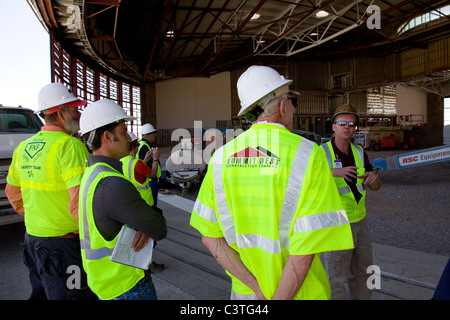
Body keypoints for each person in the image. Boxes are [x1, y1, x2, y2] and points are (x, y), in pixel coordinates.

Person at [190, 65, 354, 300]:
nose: (293, 109)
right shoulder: (308, 154)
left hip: (246, 295)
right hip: (300, 294)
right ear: (281, 105)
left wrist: (255, 287)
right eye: (292, 101)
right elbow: (305, 248)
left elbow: (210, 238)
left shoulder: (220, 158)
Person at [5, 82, 97, 300]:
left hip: (32, 241)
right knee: (75, 295)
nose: (79, 113)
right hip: (63, 247)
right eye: (74, 109)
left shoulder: (23, 148)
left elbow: (13, 194)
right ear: (60, 113)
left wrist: (41, 218)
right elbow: (81, 201)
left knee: (42, 293)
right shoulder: (69, 146)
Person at [78, 99, 167, 300]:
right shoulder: (111, 184)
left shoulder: (92, 173)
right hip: (127, 285)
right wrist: (148, 220)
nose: (129, 138)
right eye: (124, 132)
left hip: (107, 282)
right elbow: (159, 228)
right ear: (108, 136)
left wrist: (139, 224)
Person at [321, 104, 382, 300]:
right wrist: (333, 172)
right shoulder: (320, 153)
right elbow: (305, 181)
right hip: (336, 223)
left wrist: (374, 180)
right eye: (342, 123)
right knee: (335, 277)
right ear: (333, 127)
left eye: (351, 124)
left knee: (366, 271)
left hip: (360, 221)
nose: (347, 127)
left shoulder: (359, 152)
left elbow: (375, 186)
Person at [137, 123, 166, 273]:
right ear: (148, 135)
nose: (154, 136)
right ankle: (147, 262)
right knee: (149, 223)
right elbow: (148, 171)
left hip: (147, 187)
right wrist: (155, 159)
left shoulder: (143, 147)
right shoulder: (145, 148)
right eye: (153, 133)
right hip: (148, 186)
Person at [121, 131, 160, 207]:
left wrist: (145, 160)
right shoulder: (136, 163)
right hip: (144, 201)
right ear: (133, 147)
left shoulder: (122, 160)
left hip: (130, 199)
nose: (139, 147)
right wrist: (156, 158)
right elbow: (153, 175)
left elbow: (134, 172)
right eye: (138, 145)